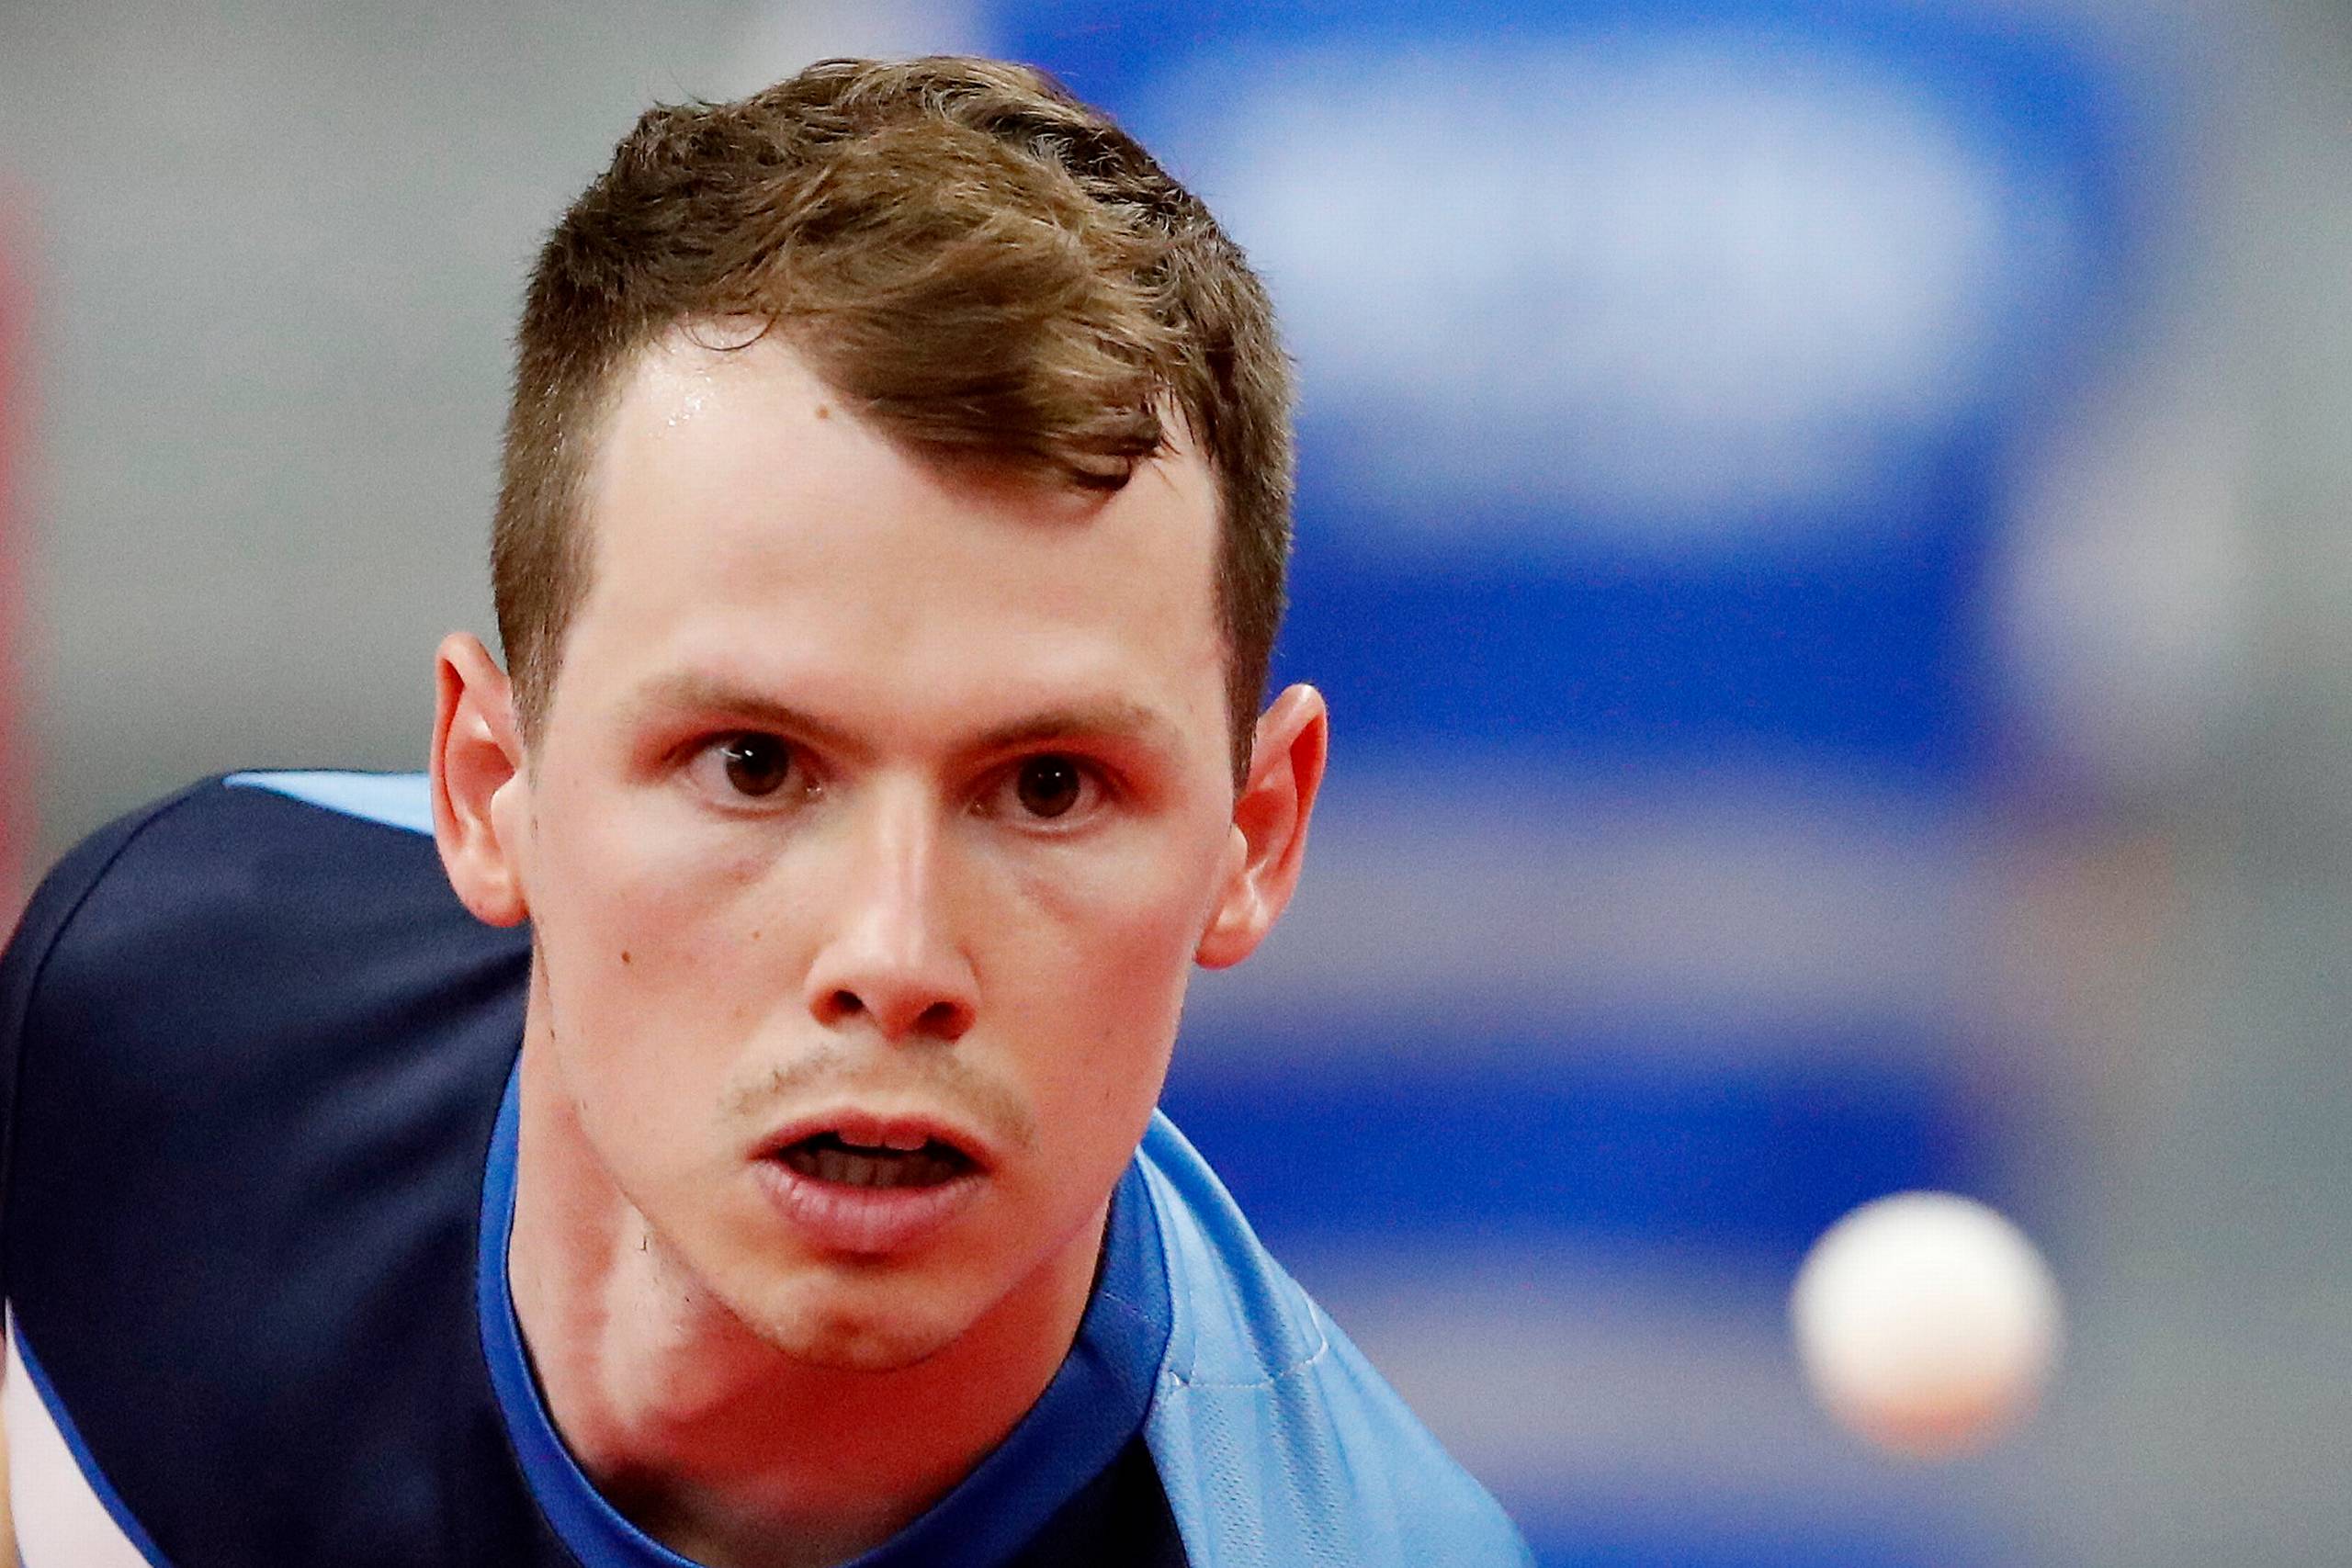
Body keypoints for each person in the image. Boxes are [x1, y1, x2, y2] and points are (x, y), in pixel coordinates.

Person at [0, 56, 1533, 1568]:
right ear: (487, 787)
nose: (894, 957)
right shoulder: (136, 1021)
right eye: (751, 764)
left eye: (1049, 786)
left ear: (1254, 837)